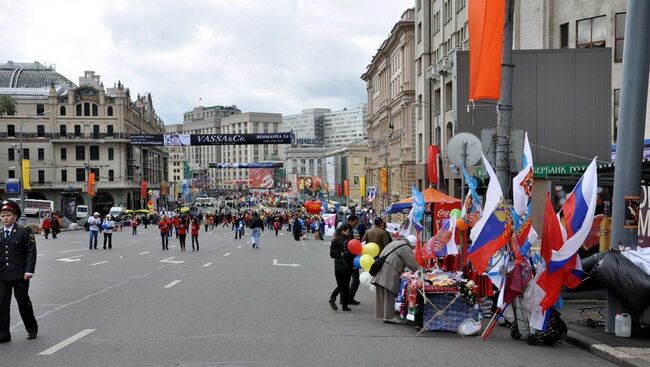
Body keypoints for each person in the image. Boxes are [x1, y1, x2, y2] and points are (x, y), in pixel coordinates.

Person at [0, 200, 38, 342]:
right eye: (3, 215)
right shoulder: (0, 233)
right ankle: (3, 334)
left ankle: (31, 328)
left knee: (23, 302)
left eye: (8, 215)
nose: (5, 218)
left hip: (20, 274)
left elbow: (31, 252)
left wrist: (29, 271)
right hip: (3, 274)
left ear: (15, 216)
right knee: (2, 305)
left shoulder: (24, 230)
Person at [372, 235, 419, 323]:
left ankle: (384, 315)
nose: (412, 249)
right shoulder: (405, 247)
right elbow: (411, 262)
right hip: (389, 269)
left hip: (382, 268)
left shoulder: (395, 243)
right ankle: (389, 317)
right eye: (413, 247)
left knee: (383, 293)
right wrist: (420, 271)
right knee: (389, 292)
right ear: (411, 245)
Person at [329, 224, 353, 312]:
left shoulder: (334, 240)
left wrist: (339, 255)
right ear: (343, 231)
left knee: (341, 285)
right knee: (344, 286)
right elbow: (348, 255)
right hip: (345, 266)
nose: (348, 232)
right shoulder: (347, 241)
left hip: (337, 266)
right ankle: (333, 298)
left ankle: (344, 305)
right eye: (347, 231)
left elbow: (332, 255)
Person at [346, 215, 361, 305]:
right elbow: (348, 245)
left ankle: (345, 298)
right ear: (350, 221)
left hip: (348, 258)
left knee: (348, 279)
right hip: (350, 259)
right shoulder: (348, 230)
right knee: (355, 279)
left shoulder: (347, 228)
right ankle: (349, 298)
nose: (357, 224)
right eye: (355, 222)